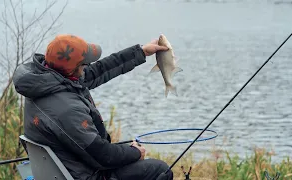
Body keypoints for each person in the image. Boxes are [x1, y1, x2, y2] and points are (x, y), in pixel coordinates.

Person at [13, 34, 174, 180]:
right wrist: (135, 152)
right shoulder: (67, 110)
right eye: (84, 64)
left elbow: (99, 70)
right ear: (72, 70)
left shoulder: (46, 81)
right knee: (160, 170)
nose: (87, 66)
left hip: (73, 164)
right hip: (87, 175)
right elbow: (103, 156)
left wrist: (141, 52)